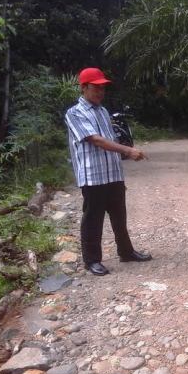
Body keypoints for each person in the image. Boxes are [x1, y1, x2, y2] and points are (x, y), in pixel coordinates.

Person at [64, 67, 152, 276]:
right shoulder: (74, 113)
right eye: (96, 87)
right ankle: (92, 260)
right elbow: (95, 139)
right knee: (93, 218)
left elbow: (110, 139)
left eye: (103, 88)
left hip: (112, 173)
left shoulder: (103, 111)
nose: (101, 92)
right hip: (92, 175)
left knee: (119, 215)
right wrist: (127, 150)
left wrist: (123, 148)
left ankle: (126, 251)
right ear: (84, 87)